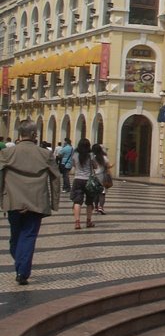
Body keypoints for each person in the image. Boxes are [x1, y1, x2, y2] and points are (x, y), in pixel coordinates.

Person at [0, 121, 60, 285]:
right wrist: (54, 202)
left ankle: (21, 268)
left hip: (13, 200)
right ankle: (22, 269)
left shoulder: (7, 153)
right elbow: (56, 177)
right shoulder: (45, 154)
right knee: (28, 236)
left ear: (20, 134)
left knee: (15, 236)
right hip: (36, 201)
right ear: (34, 135)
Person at [70, 138, 98, 230]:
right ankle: (88, 221)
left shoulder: (75, 154)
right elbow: (95, 166)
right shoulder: (91, 155)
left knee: (77, 202)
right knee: (89, 202)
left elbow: (73, 164)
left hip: (78, 179)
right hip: (88, 180)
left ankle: (77, 222)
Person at [91, 144, 112, 214]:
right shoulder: (104, 158)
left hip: (94, 176)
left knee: (96, 193)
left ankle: (96, 207)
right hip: (102, 176)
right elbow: (108, 166)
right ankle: (101, 207)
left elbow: (92, 167)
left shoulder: (92, 157)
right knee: (102, 193)